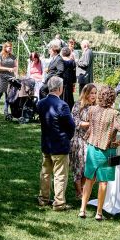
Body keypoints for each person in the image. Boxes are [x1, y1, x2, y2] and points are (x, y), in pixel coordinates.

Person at [79, 84, 120, 220]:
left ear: (100, 96)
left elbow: (90, 125)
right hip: (109, 151)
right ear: (112, 98)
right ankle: (99, 213)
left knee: (89, 179)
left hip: (92, 148)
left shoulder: (92, 109)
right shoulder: (114, 114)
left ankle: (82, 210)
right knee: (104, 182)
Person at [37, 76, 75, 210]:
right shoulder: (62, 105)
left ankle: (43, 198)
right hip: (60, 144)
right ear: (60, 88)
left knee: (45, 172)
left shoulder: (41, 103)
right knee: (60, 175)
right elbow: (71, 126)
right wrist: (67, 138)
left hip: (46, 143)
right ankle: (59, 203)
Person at [70, 83, 97, 199]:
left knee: (88, 167)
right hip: (79, 140)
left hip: (91, 141)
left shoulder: (97, 107)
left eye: (95, 93)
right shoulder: (78, 105)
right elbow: (74, 121)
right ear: (86, 94)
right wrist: (90, 124)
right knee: (78, 166)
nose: (94, 95)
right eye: (92, 93)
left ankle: (84, 190)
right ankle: (79, 192)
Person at [0, 41, 18, 118]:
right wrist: (8, 69)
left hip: (11, 77)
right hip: (2, 77)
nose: (9, 48)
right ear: (5, 47)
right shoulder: (0, 55)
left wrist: (15, 71)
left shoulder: (13, 56)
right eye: (8, 47)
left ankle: (6, 112)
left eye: (10, 47)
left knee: (8, 95)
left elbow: (16, 66)